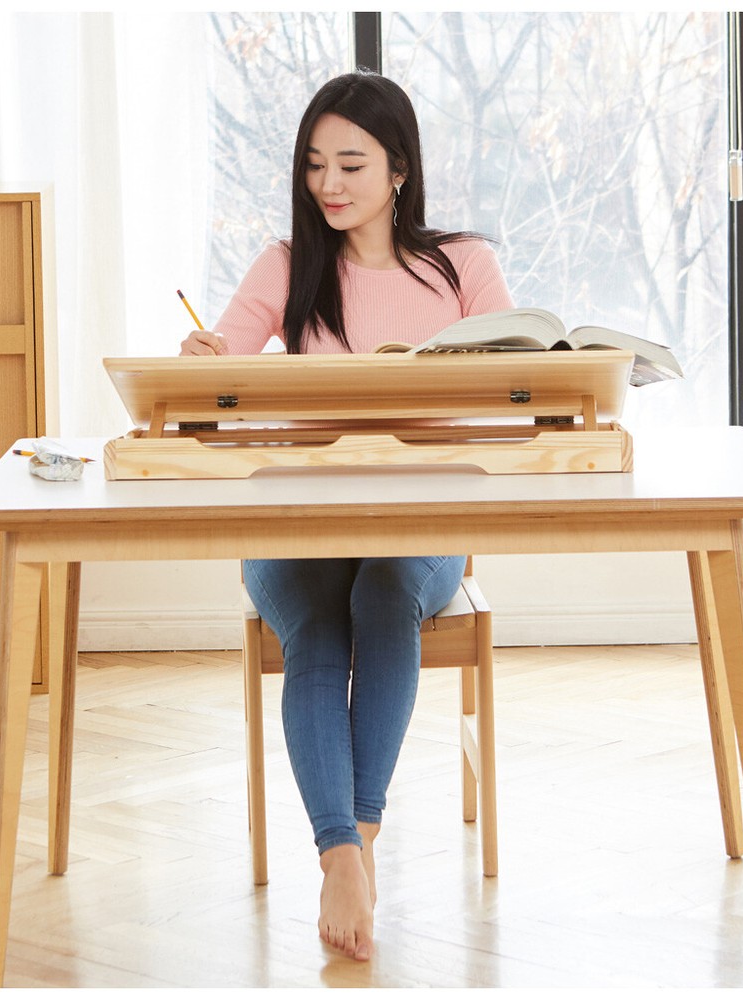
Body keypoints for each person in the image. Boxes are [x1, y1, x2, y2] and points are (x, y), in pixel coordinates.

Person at [180, 71, 513, 961]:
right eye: (315, 164)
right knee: (321, 621)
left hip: (421, 521)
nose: (328, 184)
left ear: (400, 169)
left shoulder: (464, 266)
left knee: (385, 593)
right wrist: (204, 360)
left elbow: (513, 389)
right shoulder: (288, 265)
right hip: (298, 518)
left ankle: (354, 844)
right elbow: (215, 387)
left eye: (352, 165)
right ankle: (342, 855)